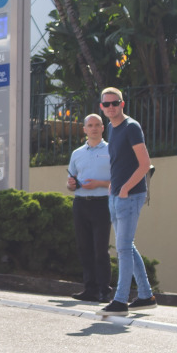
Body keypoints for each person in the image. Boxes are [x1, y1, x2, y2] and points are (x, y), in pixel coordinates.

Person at [100, 88, 155, 314]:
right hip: (117, 195)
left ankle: (121, 301)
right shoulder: (112, 128)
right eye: (107, 104)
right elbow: (119, 162)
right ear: (101, 108)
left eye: (115, 103)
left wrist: (125, 189)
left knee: (122, 248)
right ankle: (145, 295)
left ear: (122, 104)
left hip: (130, 196)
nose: (111, 107)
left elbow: (145, 164)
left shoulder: (131, 127)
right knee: (126, 246)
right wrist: (114, 186)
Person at [65, 113, 111, 302]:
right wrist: (71, 184)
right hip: (80, 203)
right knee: (84, 247)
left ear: (102, 128)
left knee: (100, 249)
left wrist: (99, 183)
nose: (93, 128)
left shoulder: (112, 150)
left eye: (97, 125)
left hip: (102, 203)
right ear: (84, 129)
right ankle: (89, 289)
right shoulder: (77, 153)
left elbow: (118, 179)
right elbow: (70, 182)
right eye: (90, 125)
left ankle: (104, 291)